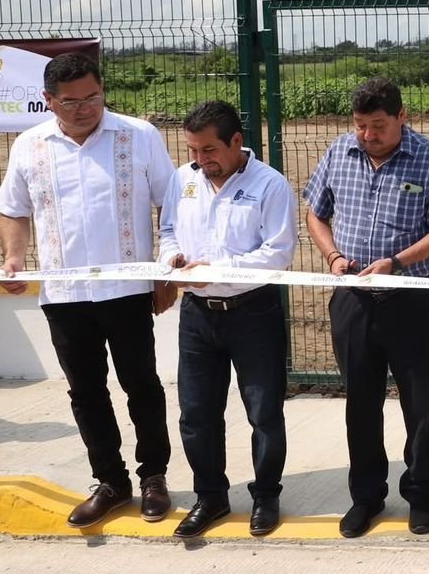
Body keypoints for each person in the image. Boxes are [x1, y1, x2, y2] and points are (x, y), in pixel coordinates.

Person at [0, 51, 177, 528]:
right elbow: (12, 208)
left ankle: (154, 478)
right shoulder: (29, 145)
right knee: (86, 392)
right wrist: (14, 258)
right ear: (49, 100)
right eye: (71, 102)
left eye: (93, 98)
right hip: (64, 295)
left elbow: (172, 204)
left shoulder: (139, 136)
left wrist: (166, 271)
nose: (85, 109)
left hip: (127, 289)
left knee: (142, 385)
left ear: (103, 91)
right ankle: (111, 482)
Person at [302, 77, 429, 538]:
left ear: (401, 117)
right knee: (360, 401)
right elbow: (315, 212)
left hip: (411, 298)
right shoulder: (340, 152)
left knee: (419, 403)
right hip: (352, 298)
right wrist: (333, 256)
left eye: (378, 125)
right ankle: (366, 497)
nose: (368, 135)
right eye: (360, 125)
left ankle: (421, 494)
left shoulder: (427, 156)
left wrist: (397, 263)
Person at [158, 100, 297, 538]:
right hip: (197, 316)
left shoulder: (270, 185)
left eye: (209, 150)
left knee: (264, 412)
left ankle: (266, 496)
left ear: (237, 141)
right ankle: (211, 497)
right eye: (193, 150)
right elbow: (167, 230)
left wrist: (216, 270)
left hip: (253, 313)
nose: (200, 160)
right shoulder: (182, 180)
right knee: (196, 413)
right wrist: (172, 259)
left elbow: (277, 254)